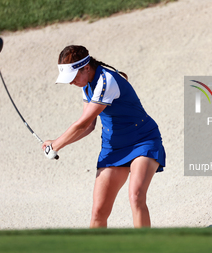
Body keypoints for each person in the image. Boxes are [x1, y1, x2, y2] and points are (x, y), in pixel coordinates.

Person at [42, 45, 166, 228]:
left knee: (136, 196)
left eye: (73, 77)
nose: (71, 83)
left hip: (142, 140)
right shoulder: (86, 84)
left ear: (86, 67)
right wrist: (56, 142)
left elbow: (82, 124)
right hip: (114, 148)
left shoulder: (106, 81)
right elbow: (89, 126)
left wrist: (55, 146)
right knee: (98, 212)